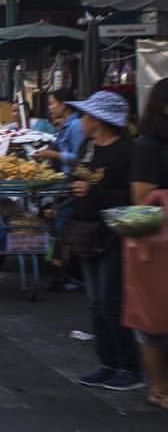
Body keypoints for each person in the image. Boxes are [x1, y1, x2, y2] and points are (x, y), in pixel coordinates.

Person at [65, 90, 142, 391]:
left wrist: (93, 192)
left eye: (85, 115)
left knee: (111, 303)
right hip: (85, 231)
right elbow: (77, 177)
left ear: (99, 120)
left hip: (111, 234)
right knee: (96, 303)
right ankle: (108, 363)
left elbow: (132, 198)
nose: (81, 120)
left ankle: (130, 367)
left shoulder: (126, 151)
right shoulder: (87, 146)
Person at [126, 78, 168, 409]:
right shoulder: (148, 147)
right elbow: (142, 203)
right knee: (154, 317)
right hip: (157, 244)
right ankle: (158, 387)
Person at [33, 88, 85, 175]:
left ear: (63, 105)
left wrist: (53, 154)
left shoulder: (76, 125)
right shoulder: (65, 125)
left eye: (52, 104)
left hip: (69, 179)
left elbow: (79, 158)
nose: (49, 108)